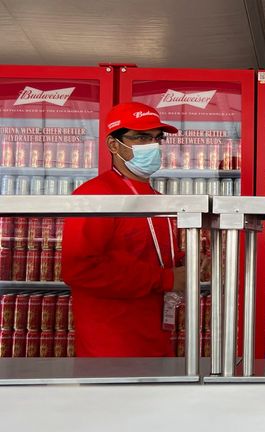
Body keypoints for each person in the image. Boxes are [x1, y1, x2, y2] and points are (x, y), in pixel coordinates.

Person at [62, 102, 185, 357]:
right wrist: (168, 279)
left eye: (156, 138)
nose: (152, 145)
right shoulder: (94, 194)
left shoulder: (156, 197)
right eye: (140, 137)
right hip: (111, 348)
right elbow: (80, 268)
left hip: (157, 340)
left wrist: (190, 262)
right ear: (113, 145)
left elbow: (152, 255)